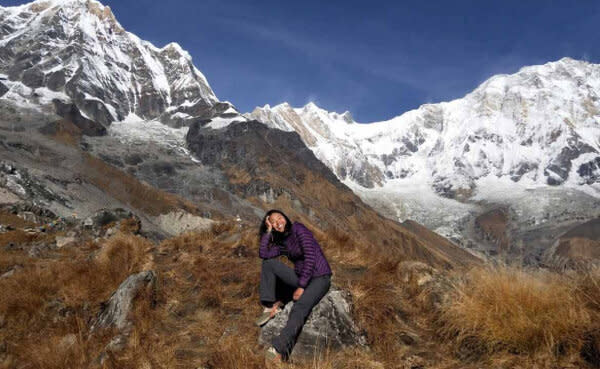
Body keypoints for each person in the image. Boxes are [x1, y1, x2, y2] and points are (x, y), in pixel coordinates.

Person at [255, 209, 332, 363]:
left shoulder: (299, 229)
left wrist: (301, 287)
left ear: (286, 218)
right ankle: (271, 306)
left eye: (280, 218)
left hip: (319, 277)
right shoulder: (282, 241)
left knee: (299, 307)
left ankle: (278, 348)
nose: (278, 223)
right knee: (269, 264)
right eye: (274, 222)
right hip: (301, 277)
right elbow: (264, 254)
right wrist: (268, 231)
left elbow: (310, 258)